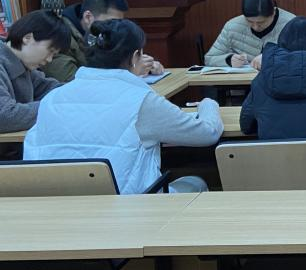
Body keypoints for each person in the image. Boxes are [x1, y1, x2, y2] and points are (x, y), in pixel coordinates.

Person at [24, 19, 223, 194]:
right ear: (136, 56)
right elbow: (207, 134)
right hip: (129, 209)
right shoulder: (141, 101)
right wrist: (209, 104)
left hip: (58, 207)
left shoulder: (53, 97)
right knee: (194, 183)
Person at [42, 0, 164, 82]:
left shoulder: (102, 34)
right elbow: (74, 84)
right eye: (111, 21)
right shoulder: (57, 36)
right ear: (88, 17)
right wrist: (131, 72)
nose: (115, 27)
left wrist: (142, 64)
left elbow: (115, 64)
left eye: (119, 22)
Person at [0, 10, 69, 135]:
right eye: (50, 51)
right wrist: (56, 107)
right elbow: (4, 116)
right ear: (27, 38)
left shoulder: (23, 65)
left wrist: (78, 91)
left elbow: (48, 88)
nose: (49, 59)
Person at [204, 0, 295, 70]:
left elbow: (301, 58)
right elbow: (209, 59)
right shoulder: (232, 26)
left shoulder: (292, 24)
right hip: (242, 82)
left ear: (273, 13)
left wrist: (272, 57)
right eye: (249, 21)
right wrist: (228, 60)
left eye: (261, 22)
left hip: (280, 81)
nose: (255, 27)